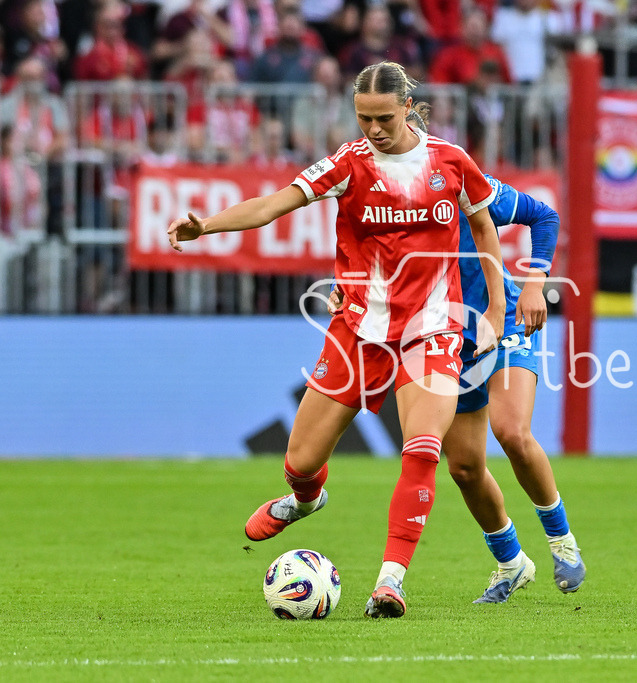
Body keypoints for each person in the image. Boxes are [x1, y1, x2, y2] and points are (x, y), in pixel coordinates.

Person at [166, 61, 507, 619]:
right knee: (299, 463)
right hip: (357, 334)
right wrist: (208, 226)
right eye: (362, 117)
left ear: (407, 108)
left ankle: (390, 582)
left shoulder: (451, 162)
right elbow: (272, 205)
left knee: (422, 448)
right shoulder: (349, 165)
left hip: (432, 329)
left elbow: (485, 227)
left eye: (383, 118)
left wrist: (494, 305)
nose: (372, 129)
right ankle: (304, 500)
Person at [330, 112, 585, 603]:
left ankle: (562, 539)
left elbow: (544, 215)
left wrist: (535, 284)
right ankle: (512, 563)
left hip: (500, 317)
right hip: (438, 333)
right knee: (464, 467)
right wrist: (348, 290)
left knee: (511, 430)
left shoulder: (456, 178)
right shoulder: (376, 196)